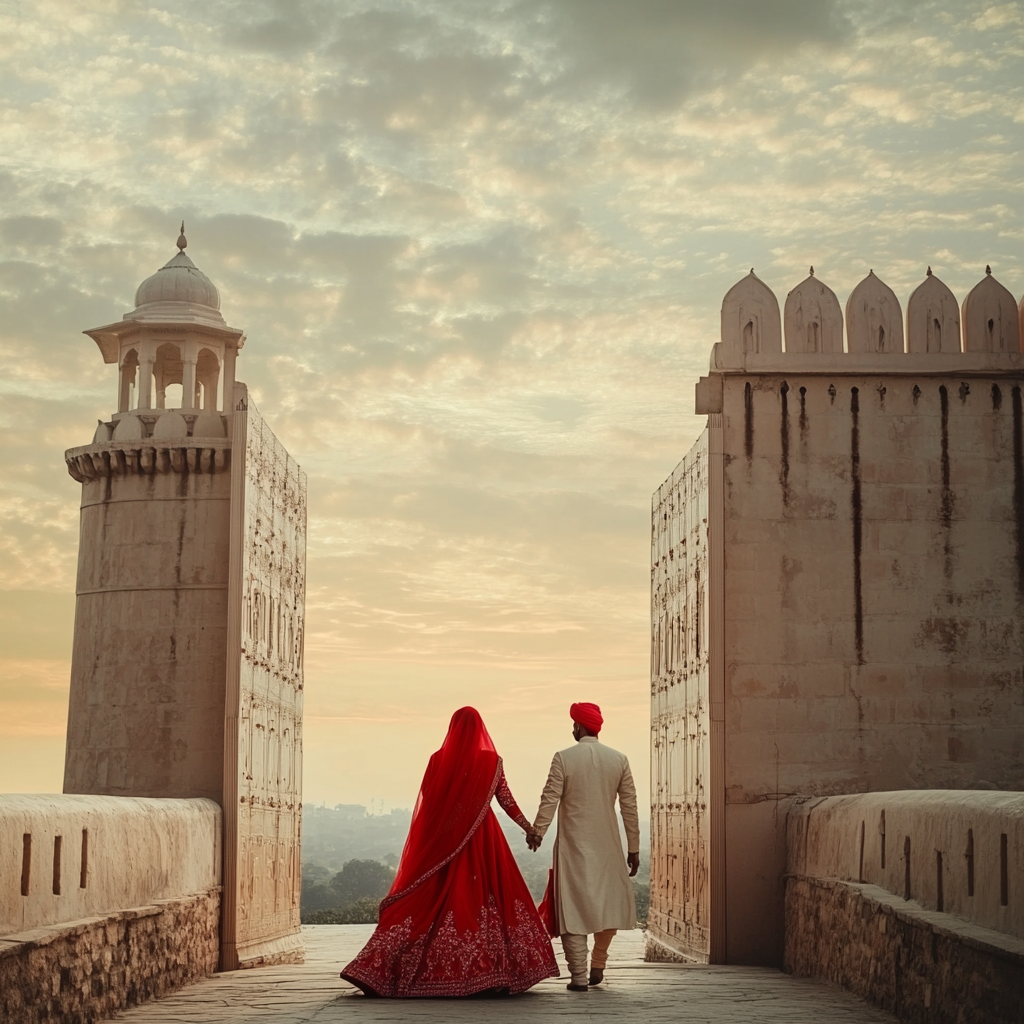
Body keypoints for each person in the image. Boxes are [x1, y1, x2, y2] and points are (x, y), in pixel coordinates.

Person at [340, 707, 559, 997]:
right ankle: (489, 973)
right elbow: (505, 799)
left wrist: (437, 838)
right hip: (482, 838)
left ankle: (383, 967)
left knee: (431, 899)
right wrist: (529, 828)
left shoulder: (437, 760)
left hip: (444, 840)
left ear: (452, 728)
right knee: (484, 900)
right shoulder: (491, 761)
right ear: (481, 729)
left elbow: (429, 801)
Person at [527, 701, 640, 992]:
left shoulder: (564, 757)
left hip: (573, 847)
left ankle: (578, 978)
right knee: (608, 905)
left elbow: (549, 798)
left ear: (578, 726)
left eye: (574, 724)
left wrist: (537, 832)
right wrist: (634, 848)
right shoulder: (619, 759)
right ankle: (598, 962)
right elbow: (629, 807)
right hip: (608, 847)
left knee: (573, 911)